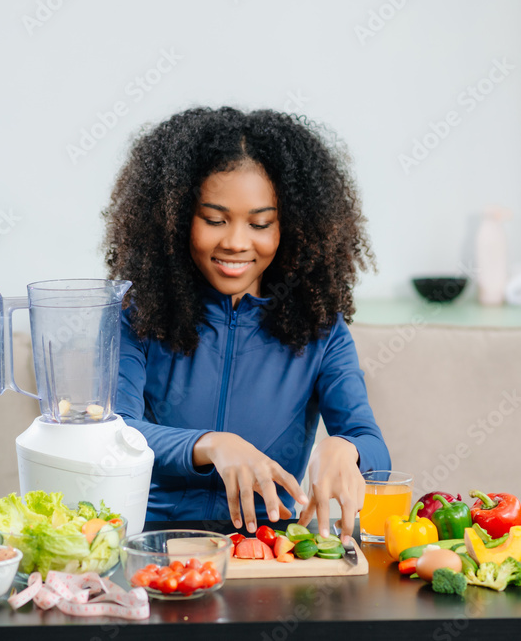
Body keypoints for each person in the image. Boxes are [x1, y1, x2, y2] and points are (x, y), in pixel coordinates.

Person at [103, 106, 390, 544]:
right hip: (152, 541)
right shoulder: (137, 316)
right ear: (177, 219)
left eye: (260, 224)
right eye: (215, 220)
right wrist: (211, 444)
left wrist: (343, 449)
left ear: (290, 227)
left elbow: (374, 448)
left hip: (269, 547)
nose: (236, 242)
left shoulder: (320, 329)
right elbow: (115, 432)